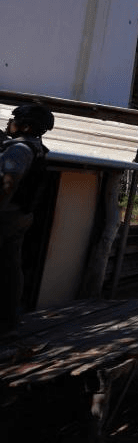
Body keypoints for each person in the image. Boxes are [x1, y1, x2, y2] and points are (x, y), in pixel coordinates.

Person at [0, 104, 54, 334]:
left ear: (26, 126)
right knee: (10, 267)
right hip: (21, 214)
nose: (8, 122)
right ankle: (9, 319)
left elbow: (8, 183)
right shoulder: (36, 147)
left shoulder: (19, 150)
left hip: (6, 214)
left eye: (14, 119)